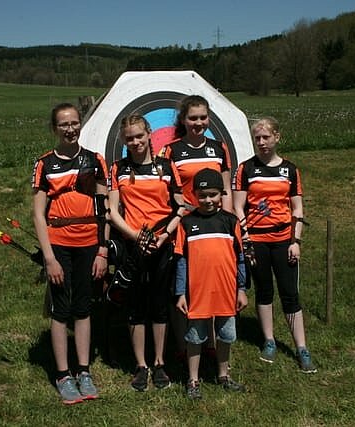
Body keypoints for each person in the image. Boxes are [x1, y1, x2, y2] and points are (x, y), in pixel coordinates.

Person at [32, 103, 110, 404]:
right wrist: (49, 258)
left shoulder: (95, 160)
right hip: (59, 243)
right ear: (55, 128)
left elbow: (104, 209)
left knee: (83, 307)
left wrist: (103, 250)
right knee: (61, 309)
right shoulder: (45, 164)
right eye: (64, 124)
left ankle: (84, 370)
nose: (70, 129)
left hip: (89, 242)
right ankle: (63, 374)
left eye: (74, 123)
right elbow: (38, 215)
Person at [232, 116, 317, 374]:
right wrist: (246, 238)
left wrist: (295, 241)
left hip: (283, 241)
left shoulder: (290, 170)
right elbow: (238, 206)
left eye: (266, 137)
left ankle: (301, 347)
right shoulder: (246, 169)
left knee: (290, 293)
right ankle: (268, 341)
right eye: (257, 138)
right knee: (264, 291)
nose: (261, 142)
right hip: (256, 241)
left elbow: (297, 208)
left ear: (277, 137)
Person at [108, 113, 185, 391]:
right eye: (130, 138)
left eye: (140, 136)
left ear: (149, 133)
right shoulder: (118, 168)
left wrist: (164, 236)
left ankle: (160, 362)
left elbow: (181, 207)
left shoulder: (166, 165)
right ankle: (141, 365)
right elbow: (112, 212)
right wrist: (135, 236)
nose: (136, 142)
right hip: (133, 245)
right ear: (123, 140)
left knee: (159, 303)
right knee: (136, 306)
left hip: (162, 243)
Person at [159, 94, 233, 365]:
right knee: (183, 285)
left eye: (203, 117)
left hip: (214, 227)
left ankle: (210, 344)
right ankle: (182, 345)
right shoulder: (171, 150)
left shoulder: (219, 148)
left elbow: (226, 190)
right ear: (183, 120)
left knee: (211, 284)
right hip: (184, 225)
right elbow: (167, 191)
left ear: (209, 118)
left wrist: (229, 223)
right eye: (193, 118)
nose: (198, 123)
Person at [175, 168, 248, 400]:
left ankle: (223, 375)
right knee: (195, 337)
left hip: (226, 291)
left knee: (226, 335)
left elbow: (240, 258)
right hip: (197, 293)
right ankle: (193, 379)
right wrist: (180, 293)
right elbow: (181, 261)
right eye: (203, 195)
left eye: (213, 195)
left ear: (221, 194)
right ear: (195, 195)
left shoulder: (230, 221)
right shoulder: (187, 223)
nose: (208, 200)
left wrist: (242, 289)